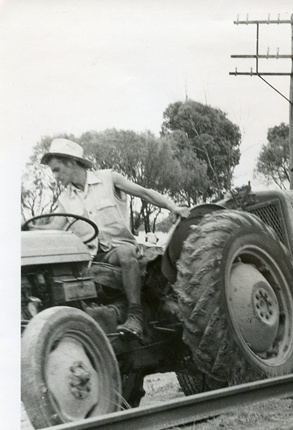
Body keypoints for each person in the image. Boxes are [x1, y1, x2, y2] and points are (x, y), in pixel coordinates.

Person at [34, 138, 190, 337]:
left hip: (118, 248)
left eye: (56, 169)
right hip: (92, 257)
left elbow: (144, 193)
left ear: (71, 162)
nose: (55, 176)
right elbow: (55, 226)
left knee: (125, 254)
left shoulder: (108, 178)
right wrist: (28, 228)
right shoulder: (65, 198)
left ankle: (135, 315)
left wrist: (173, 207)